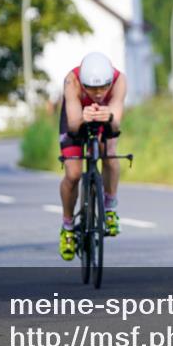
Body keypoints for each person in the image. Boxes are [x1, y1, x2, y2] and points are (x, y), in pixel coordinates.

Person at [58, 52, 127, 260]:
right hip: (76, 117)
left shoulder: (119, 80)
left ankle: (110, 208)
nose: (98, 94)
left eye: (103, 88)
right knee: (73, 174)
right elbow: (72, 124)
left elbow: (116, 125)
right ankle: (68, 227)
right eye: (92, 89)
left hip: (105, 117)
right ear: (83, 83)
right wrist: (83, 118)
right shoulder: (72, 80)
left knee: (110, 155)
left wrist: (109, 116)